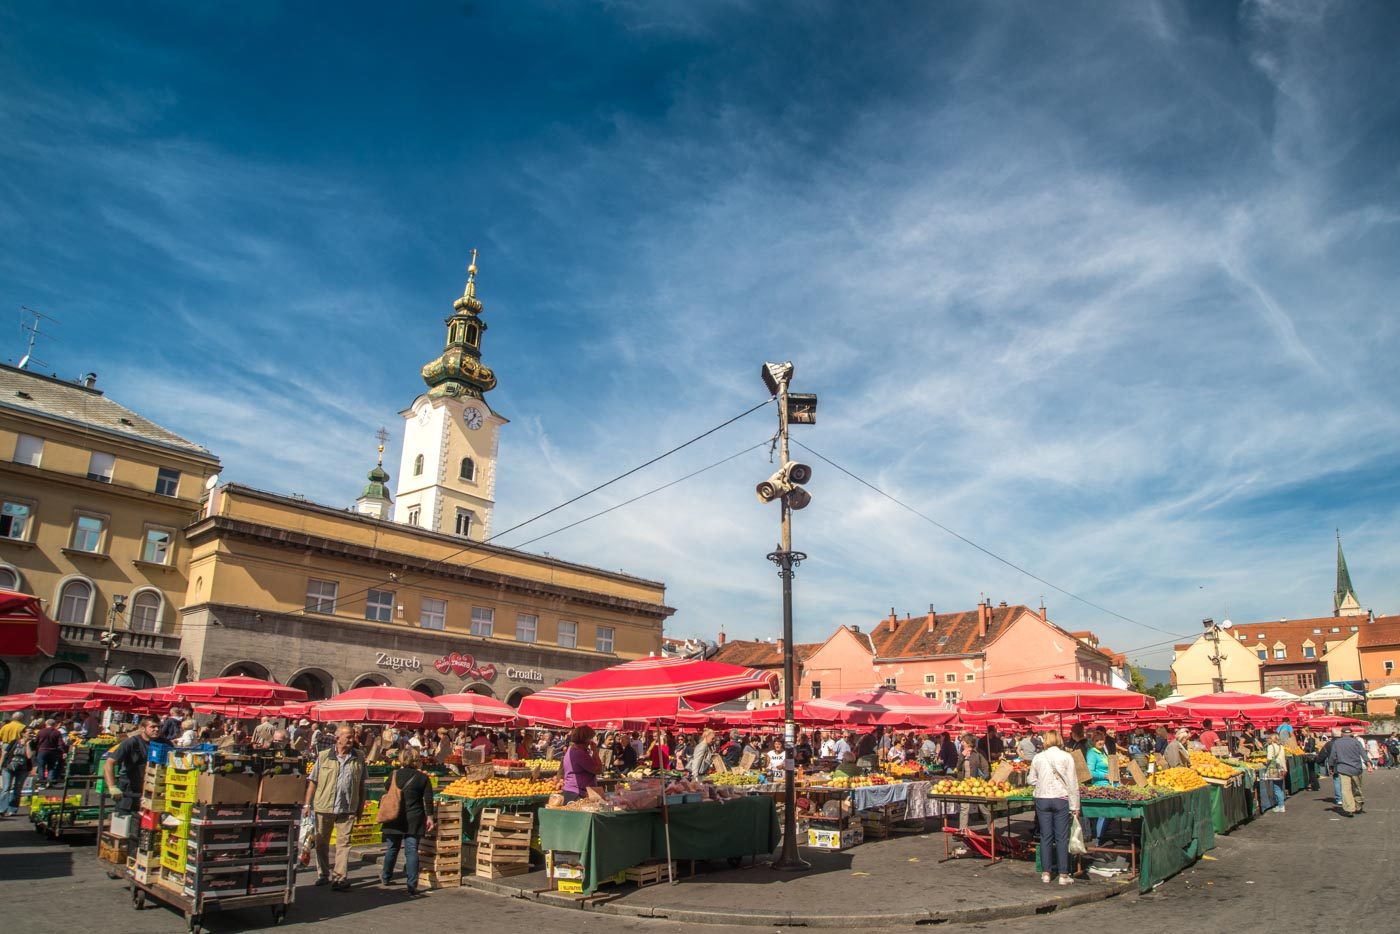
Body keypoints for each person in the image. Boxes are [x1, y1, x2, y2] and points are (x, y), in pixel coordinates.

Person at [304, 725, 368, 890]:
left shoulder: (359, 757)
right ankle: (323, 874)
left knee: (344, 843)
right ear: (337, 738)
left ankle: (340, 878)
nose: (351, 739)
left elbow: (362, 784)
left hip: (348, 807)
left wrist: (360, 806)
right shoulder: (324, 756)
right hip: (324, 806)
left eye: (352, 736)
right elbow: (313, 780)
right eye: (348, 736)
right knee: (321, 843)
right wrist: (306, 804)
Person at [379, 747, 436, 896]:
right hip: (414, 817)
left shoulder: (393, 775)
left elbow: (386, 789)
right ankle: (411, 884)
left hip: (394, 816)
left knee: (392, 848)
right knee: (411, 850)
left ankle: (386, 876)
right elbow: (428, 799)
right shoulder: (422, 778)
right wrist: (430, 817)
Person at [1028, 730, 1079, 887]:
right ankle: (1063, 874)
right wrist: (1075, 805)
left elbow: (1030, 779)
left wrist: (1041, 783)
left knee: (1045, 836)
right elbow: (1072, 782)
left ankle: (1046, 873)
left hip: (1042, 799)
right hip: (1060, 799)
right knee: (1062, 837)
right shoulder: (1066, 757)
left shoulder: (1038, 757)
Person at [103, 718, 160, 843]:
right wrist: (112, 786)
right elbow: (109, 763)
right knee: (124, 826)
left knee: (145, 829)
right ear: (142, 728)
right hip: (128, 792)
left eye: (158, 727)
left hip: (150, 792)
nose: (156, 729)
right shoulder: (131, 743)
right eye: (153, 727)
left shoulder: (162, 743)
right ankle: (122, 849)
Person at [953, 734, 991, 855]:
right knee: (964, 808)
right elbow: (958, 768)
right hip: (965, 786)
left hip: (977, 786)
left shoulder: (978, 754)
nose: (961, 743)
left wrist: (982, 780)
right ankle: (962, 831)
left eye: (963, 741)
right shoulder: (962, 753)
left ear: (968, 742)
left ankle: (991, 828)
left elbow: (986, 769)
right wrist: (962, 757)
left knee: (983, 808)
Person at [1324, 727, 1367, 816]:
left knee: (1345, 790)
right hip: (1356, 769)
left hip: (1343, 769)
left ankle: (1349, 809)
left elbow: (1332, 756)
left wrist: (1331, 766)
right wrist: (1369, 764)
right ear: (1351, 733)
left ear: (1342, 734)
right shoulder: (1356, 742)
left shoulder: (1337, 743)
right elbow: (1363, 754)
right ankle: (1358, 805)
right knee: (1357, 788)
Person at [1084, 730, 1112, 845]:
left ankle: (1101, 836)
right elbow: (1090, 772)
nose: (1100, 742)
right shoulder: (1092, 753)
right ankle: (1098, 841)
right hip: (1099, 787)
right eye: (1097, 740)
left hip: (1109, 786)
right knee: (1103, 814)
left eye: (1102, 740)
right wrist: (1104, 775)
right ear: (1093, 741)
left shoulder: (1103, 752)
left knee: (1109, 813)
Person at [1, 723, 35, 819]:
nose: (31, 735)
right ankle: (1, 809)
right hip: (9, 767)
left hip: (22, 769)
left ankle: (12, 810)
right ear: (23, 733)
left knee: (17, 789)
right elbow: (4, 753)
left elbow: (29, 756)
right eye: (29, 733)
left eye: (32, 733)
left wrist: (28, 744)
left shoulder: (32, 743)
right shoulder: (14, 742)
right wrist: (0, 766)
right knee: (6, 788)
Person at [561, 726, 602, 803]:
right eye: (592, 738)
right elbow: (598, 770)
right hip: (577, 793)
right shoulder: (580, 753)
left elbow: (592, 764)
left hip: (572, 791)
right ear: (587, 739)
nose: (593, 740)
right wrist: (595, 752)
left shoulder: (572, 749)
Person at [34, 719, 65, 786]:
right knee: (51, 767)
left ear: (46, 724)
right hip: (53, 751)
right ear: (54, 724)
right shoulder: (57, 732)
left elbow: (36, 742)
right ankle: (50, 782)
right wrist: (63, 751)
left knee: (41, 767)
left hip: (42, 751)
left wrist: (35, 750)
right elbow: (60, 743)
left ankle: (42, 783)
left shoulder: (41, 731)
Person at [1262, 731, 1287, 813]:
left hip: (1274, 768)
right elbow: (1283, 758)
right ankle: (1280, 804)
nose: (1268, 739)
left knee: (1276, 788)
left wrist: (1265, 763)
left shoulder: (1270, 747)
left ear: (1272, 739)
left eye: (1269, 738)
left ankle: (1281, 806)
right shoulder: (1281, 746)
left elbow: (1269, 758)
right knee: (1280, 787)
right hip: (1282, 768)